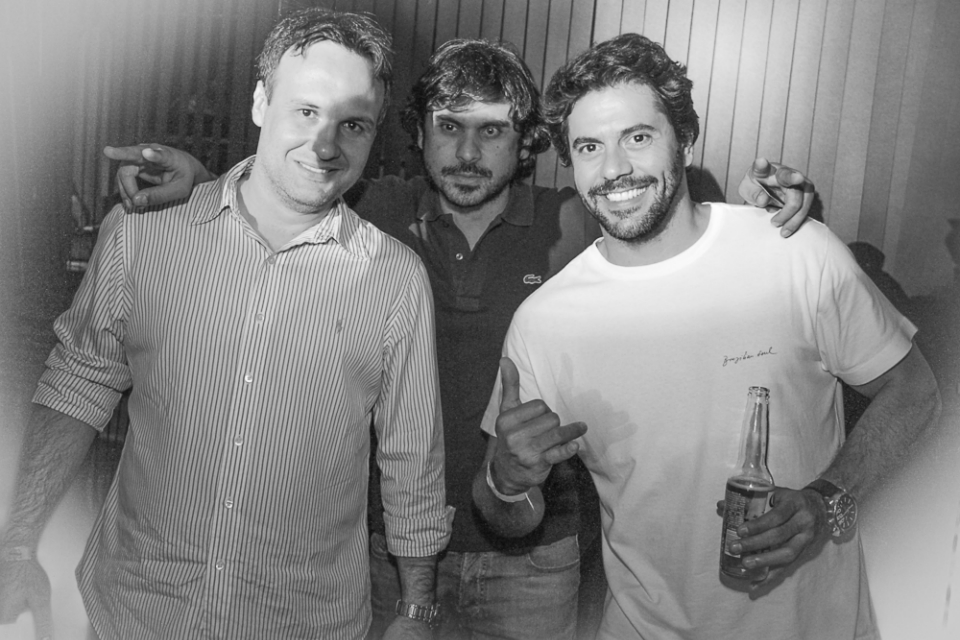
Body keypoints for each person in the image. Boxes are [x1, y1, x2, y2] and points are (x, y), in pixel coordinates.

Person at [103, 41, 814, 639]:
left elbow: (667, 221)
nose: (468, 153)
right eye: (448, 126)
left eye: (493, 131)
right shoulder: (371, 211)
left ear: (527, 140)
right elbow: (278, 188)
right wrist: (199, 178)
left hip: (536, 558)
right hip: (383, 550)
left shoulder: (575, 223)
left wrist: (758, 207)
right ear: (417, 133)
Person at [0, 9, 452, 640]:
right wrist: (18, 544)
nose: (326, 146)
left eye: (353, 125)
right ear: (261, 102)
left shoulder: (395, 279)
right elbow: (77, 386)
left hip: (301, 624)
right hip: (136, 614)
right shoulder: (142, 236)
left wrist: (416, 609)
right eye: (305, 111)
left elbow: (412, 459)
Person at [473, 33, 941, 640]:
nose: (613, 169)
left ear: (685, 139)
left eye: (637, 137)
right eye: (590, 147)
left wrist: (828, 498)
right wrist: (507, 481)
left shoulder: (792, 252)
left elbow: (915, 391)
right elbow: (506, 516)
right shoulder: (545, 321)